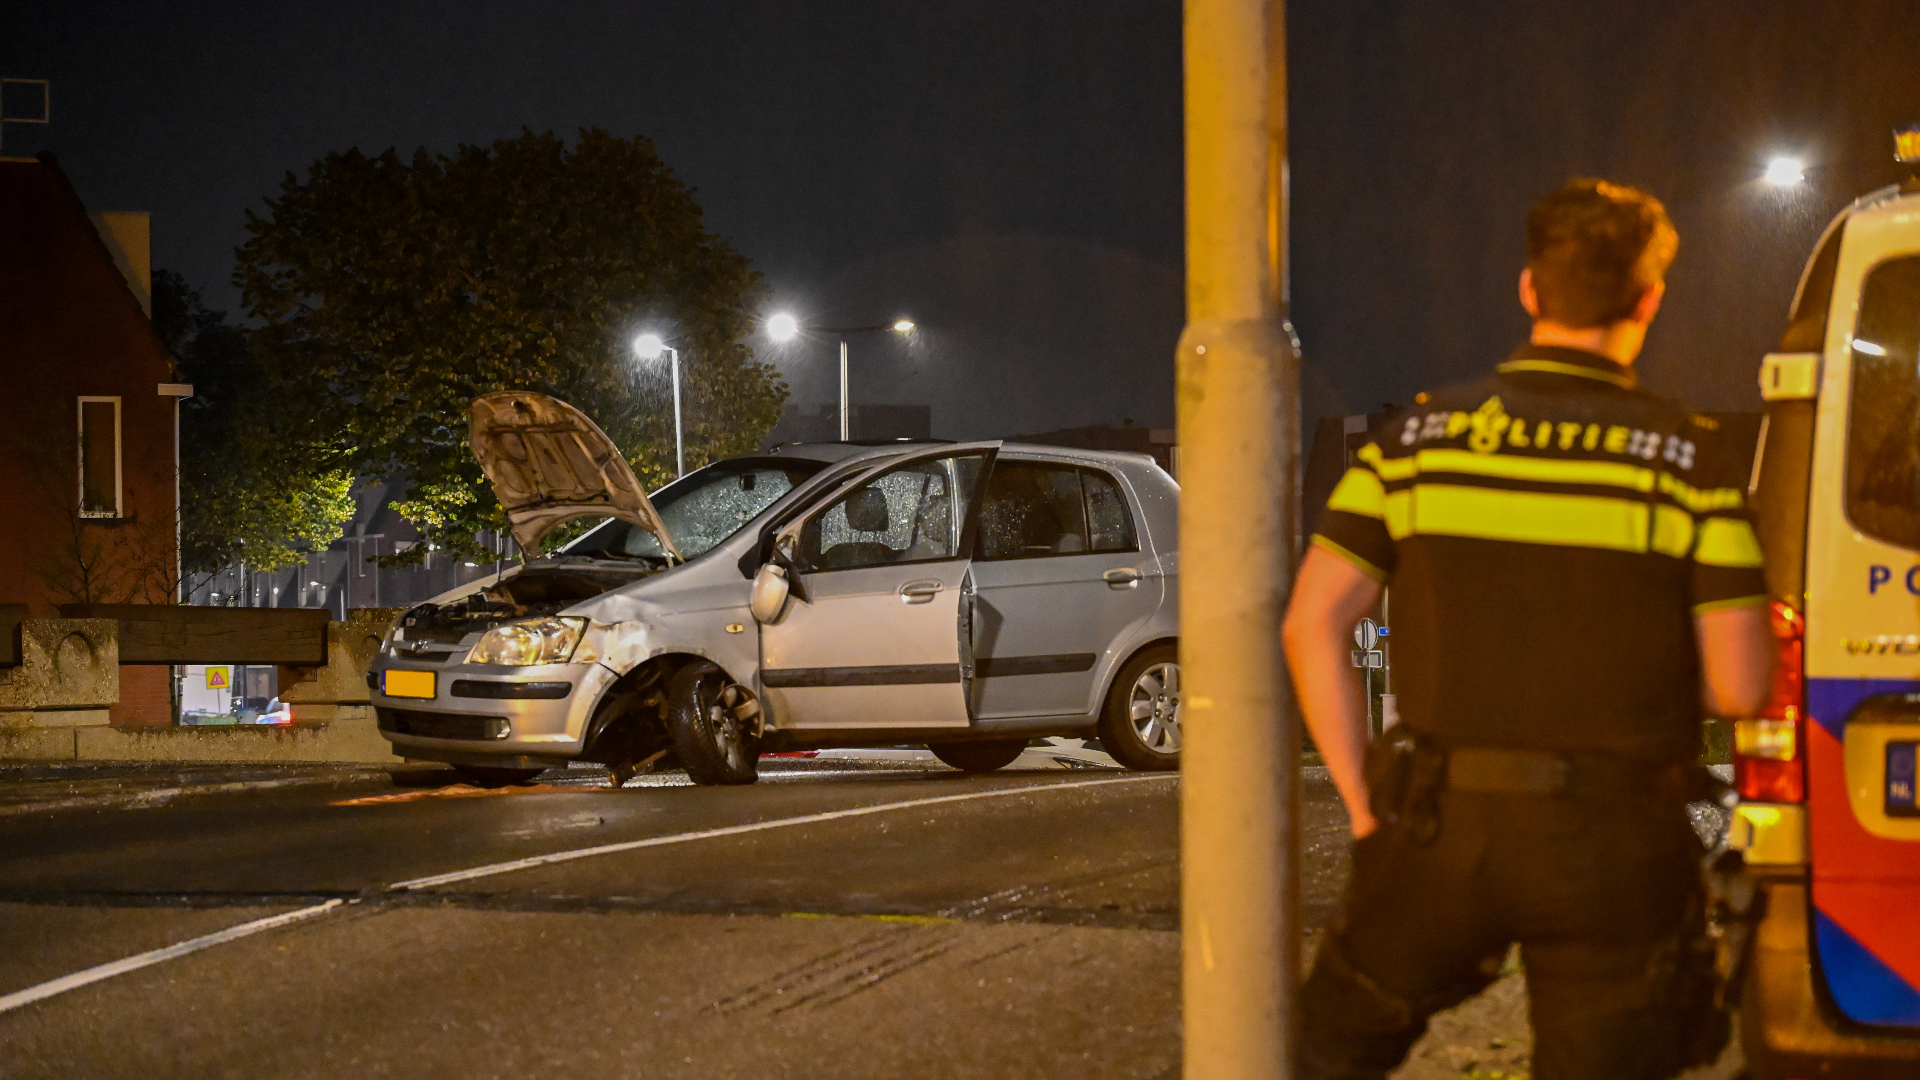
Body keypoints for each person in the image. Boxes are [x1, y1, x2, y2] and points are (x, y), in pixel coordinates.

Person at [1283, 178, 1774, 1080]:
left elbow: (1313, 623)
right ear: (1649, 300)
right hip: (1614, 844)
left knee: (1323, 1053)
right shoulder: (1692, 460)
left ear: (1528, 290)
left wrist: (1364, 808)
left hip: (1441, 827)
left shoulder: (1412, 443)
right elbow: (1742, 685)